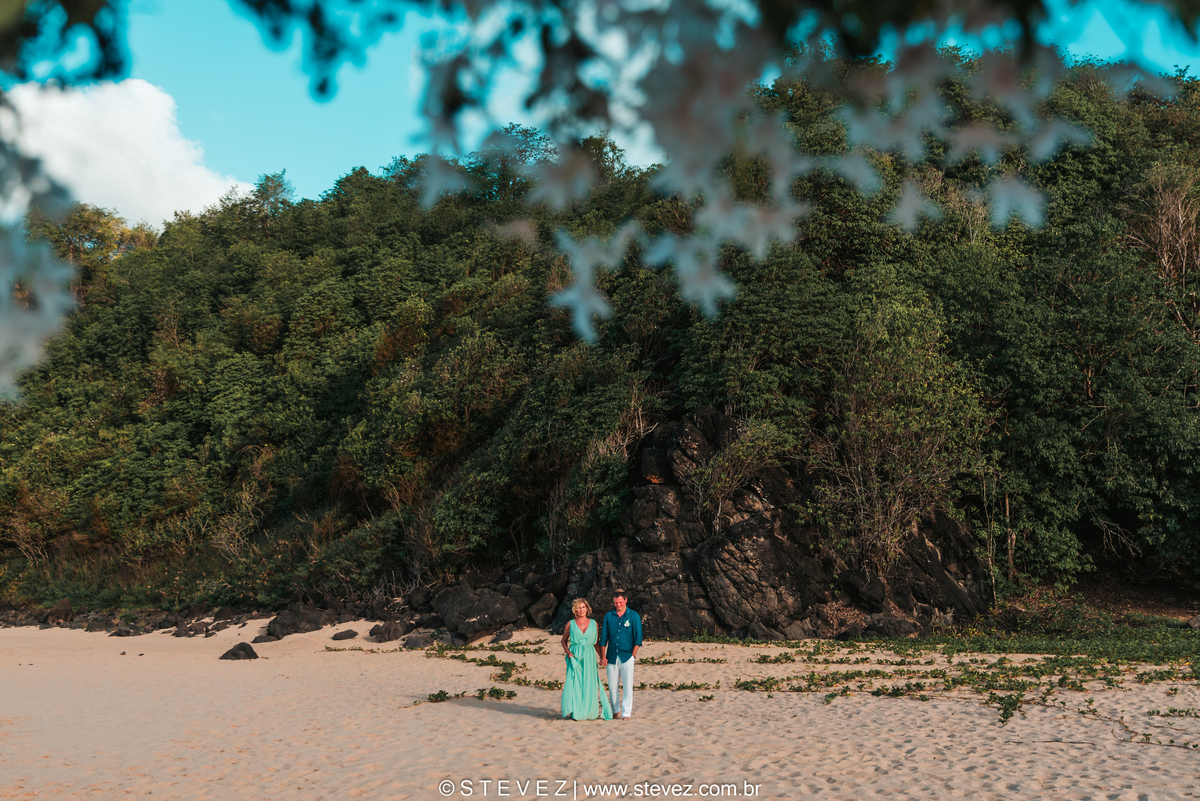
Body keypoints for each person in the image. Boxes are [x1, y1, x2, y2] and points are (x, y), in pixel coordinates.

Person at [560, 598, 613, 721]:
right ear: (575, 610)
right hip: (575, 656)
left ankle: (590, 712)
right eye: (578, 608)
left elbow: (596, 643)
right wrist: (568, 652)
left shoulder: (594, 623)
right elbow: (563, 640)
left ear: (587, 609)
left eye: (583, 607)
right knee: (575, 684)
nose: (581, 610)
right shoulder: (571, 624)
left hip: (589, 655)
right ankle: (575, 712)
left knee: (590, 683)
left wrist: (602, 657)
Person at [599, 589, 642, 720]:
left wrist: (633, 656)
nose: (618, 605)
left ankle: (626, 713)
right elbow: (603, 638)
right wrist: (603, 656)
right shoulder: (608, 616)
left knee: (628, 686)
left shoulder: (633, 616)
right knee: (612, 687)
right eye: (615, 603)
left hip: (627, 655)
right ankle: (615, 710)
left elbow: (638, 638)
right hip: (611, 656)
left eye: (620, 602)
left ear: (625, 600)